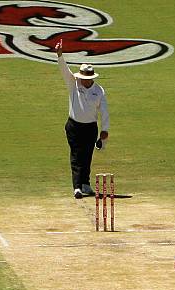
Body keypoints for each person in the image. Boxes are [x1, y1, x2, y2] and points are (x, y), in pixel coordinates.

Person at [55, 40, 109, 199]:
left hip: (90, 128)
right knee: (77, 155)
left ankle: (85, 184)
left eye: (88, 77)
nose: (85, 80)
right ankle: (77, 187)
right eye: (84, 77)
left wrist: (105, 130)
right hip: (74, 126)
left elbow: (104, 110)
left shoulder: (98, 90)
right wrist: (59, 55)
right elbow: (64, 70)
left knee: (87, 155)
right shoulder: (73, 83)